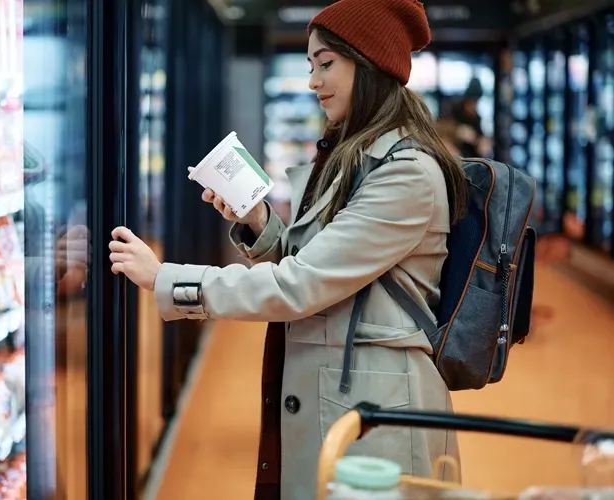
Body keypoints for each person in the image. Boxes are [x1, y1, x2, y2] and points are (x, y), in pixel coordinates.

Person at [110, 0, 468, 498]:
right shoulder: (356, 156)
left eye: (326, 64)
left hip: (378, 413)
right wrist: (258, 221)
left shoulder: (406, 173)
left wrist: (166, 278)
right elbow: (314, 263)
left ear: (369, 65)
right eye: (310, 66)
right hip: (347, 397)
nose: (313, 82)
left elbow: (302, 284)